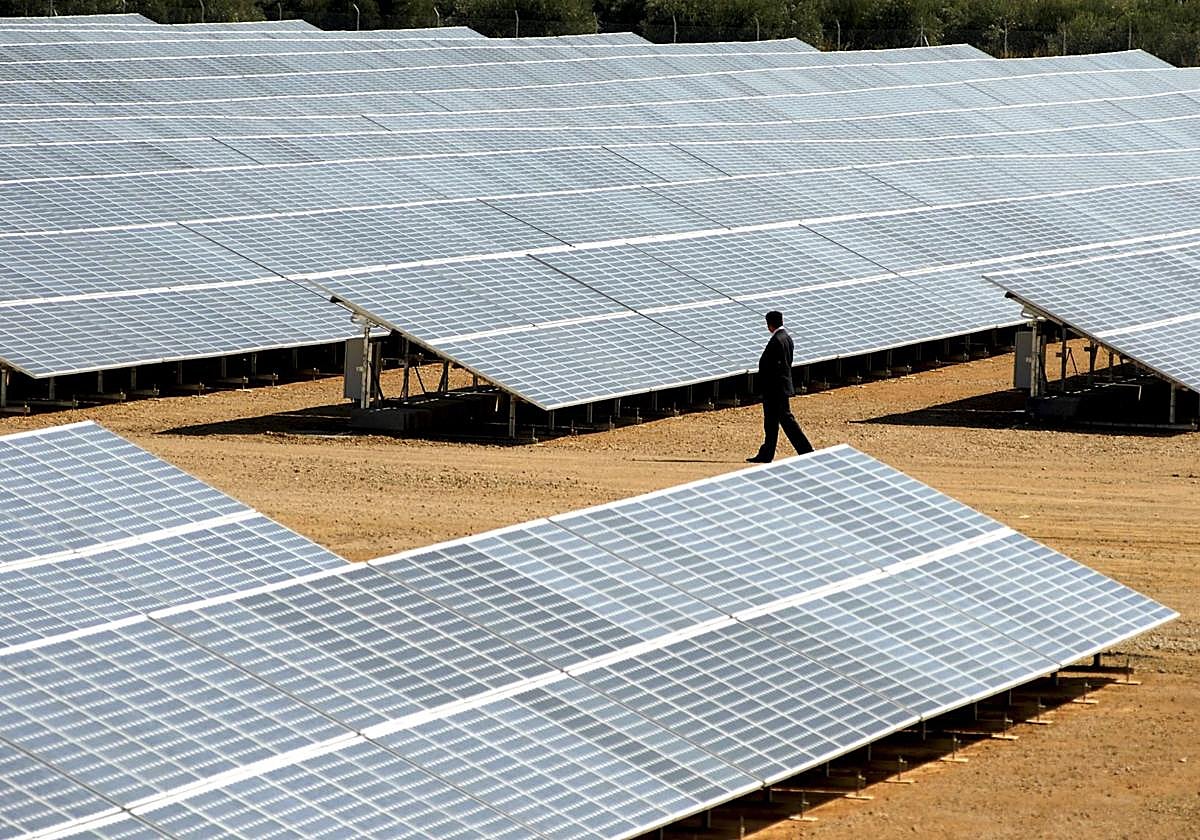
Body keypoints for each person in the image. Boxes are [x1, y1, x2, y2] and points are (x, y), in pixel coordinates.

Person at [747, 310, 814, 463]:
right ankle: (766, 453)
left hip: (775, 389)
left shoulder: (777, 340)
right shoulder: (787, 339)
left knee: (785, 420)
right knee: (771, 422)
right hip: (779, 387)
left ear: (769, 324)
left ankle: (806, 450)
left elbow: (774, 367)